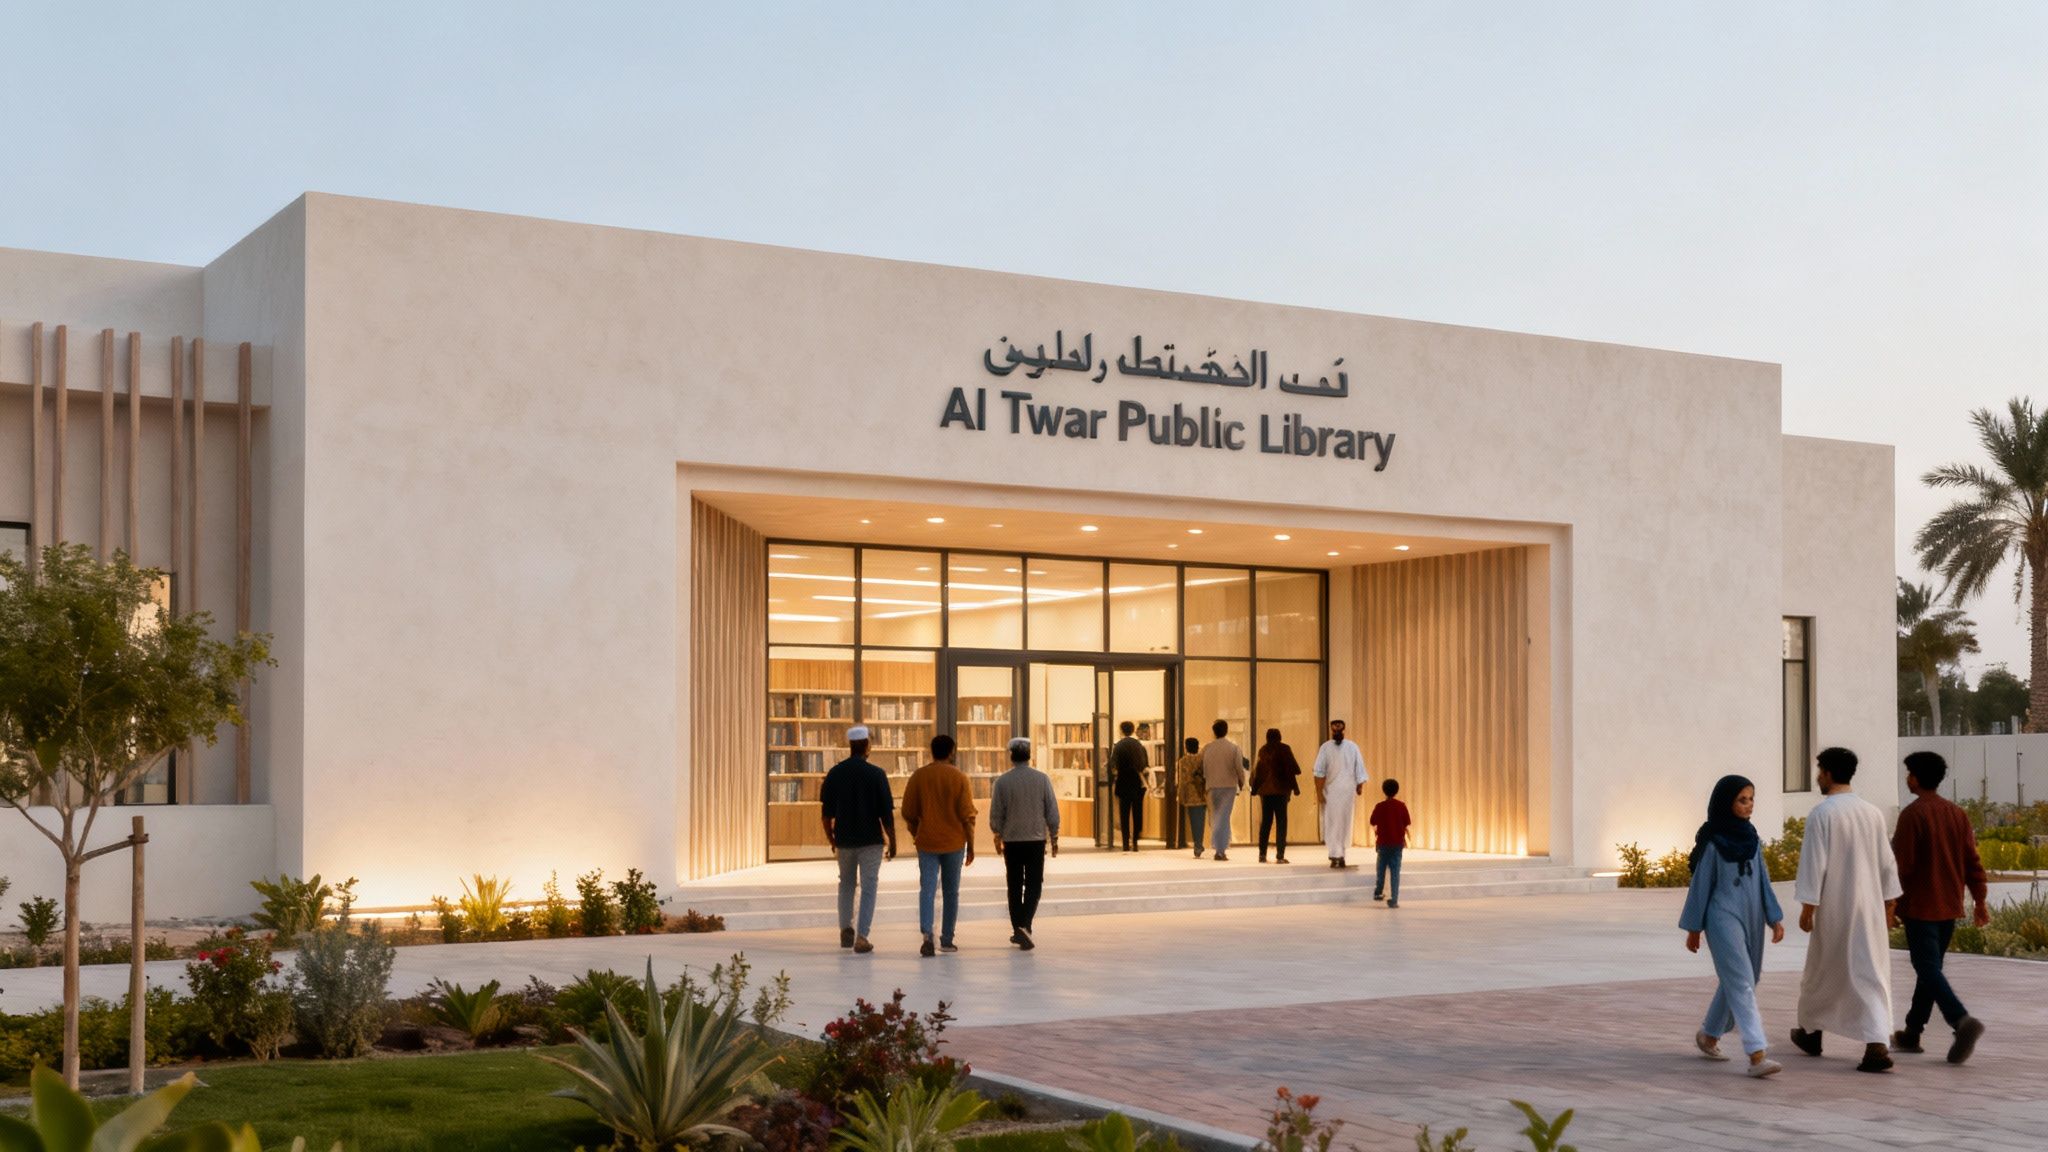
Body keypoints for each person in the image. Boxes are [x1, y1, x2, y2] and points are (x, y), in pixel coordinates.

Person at [1791, 746, 1904, 1072]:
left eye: (1819, 771)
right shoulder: (1872, 813)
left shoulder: (1823, 814)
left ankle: (1834, 1038)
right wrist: (1889, 905)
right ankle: (1831, 1035)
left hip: (1835, 910)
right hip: (1868, 911)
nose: (1817, 777)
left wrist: (1807, 908)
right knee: (1869, 974)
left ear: (1827, 772)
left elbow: (1814, 865)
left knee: (1823, 973)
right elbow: (1887, 864)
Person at [1677, 775, 1787, 1078]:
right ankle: (1756, 1053)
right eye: (1742, 799)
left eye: (1751, 799)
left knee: (1746, 976)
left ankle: (1710, 1034)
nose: (1748, 805)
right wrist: (1694, 928)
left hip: (1751, 915)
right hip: (1722, 917)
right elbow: (1700, 886)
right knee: (1740, 981)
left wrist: (1773, 916)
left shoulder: (1751, 837)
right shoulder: (1713, 842)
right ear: (1727, 802)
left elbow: (1762, 879)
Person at [1890, 750, 1990, 1064]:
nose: (1907, 778)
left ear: (1916, 778)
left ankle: (1961, 1020)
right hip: (1949, 905)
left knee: (1927, 968)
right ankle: (1912, 1032)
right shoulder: (1957, 814)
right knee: (1929, 969)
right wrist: (1980, 901)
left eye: (1909, 773)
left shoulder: (1912, 815)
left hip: (1921, 906)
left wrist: (1889, 904)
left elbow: (1901, 867)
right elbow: (1972, 862)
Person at [818, 725, 898, 954]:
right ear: (867, 746)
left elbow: (826, 815)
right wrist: (892, 841)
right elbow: (886, 814)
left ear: (850, 745)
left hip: (844, 840)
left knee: (846, 885)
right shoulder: (876, 774)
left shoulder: (835, 773)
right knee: (869, 885)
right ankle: (862, 935)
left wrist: (832, 839)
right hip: (871, 840)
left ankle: (845, 928)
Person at [900, 733, 977, 958]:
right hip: (954, 842)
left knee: (928, 889)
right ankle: (947, 939)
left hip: (927, 842)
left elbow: (908, 812)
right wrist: (971, 845)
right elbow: (967, 816)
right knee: (951, 892)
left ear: (931, 751)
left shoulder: (919, 776)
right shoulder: (960, 778)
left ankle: (927, 934)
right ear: (951, 752)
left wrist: (916, 832)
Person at [988, 736, 1060, 950]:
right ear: (1029, 756)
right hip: (1036, 840)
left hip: (1012, 840)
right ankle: (1025, 925)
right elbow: (1052, 811)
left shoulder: (1002, 781)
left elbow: (996, 815)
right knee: (1034, 885)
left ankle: (1018, 928)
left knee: (1014, 885)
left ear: (1011, 757)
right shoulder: (1042, 779)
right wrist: (1054, 836)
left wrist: (997, 834)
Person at [1312, 719, 1368, 869]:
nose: (1337, 733)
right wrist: (1319, 792)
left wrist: (1359, 787)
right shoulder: (1327, 748)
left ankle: (1338, 854)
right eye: (1335, 730)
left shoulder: (1351, 747)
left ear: (1343, 731)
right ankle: (1337, 854)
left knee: (1340, 823)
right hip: (1331, 792)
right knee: (1337, 823)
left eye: (1339, 730)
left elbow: (1359, 769)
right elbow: (1319, 772)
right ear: (1332, 731)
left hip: (1346, 792)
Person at [1252, 728, 1302, 864]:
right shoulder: (1284, 749)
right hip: (1281, 791)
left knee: (1266, 823)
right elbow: (1292, 770)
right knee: (1281, 822)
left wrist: (1255, 788)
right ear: (1280, 736)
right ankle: (1280, 855)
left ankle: (1262, 854)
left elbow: (1259, 772)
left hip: (1266, 792)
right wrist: (1296, 788)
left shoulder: (1263, 750)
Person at [1199, 719, 1246, 861]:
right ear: (1226, 731)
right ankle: (1220, 849)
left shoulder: (1207, 748)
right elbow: (1239, 767)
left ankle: (1219, 845)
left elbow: (1202, 767)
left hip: (1212, 786)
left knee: (1216, 816)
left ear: (1214, 732)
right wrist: (1242, 781)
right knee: (1223, 816)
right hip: (1228, 786)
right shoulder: (1233, 748)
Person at [1370, 778, 1412, 907]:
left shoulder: (1379, 806)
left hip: (1383, 843)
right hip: (1397, 844)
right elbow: (1407, 823)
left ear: (1384, 790)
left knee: (1381, 869)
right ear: (1397, 790)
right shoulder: (1401, 806)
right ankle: (1394, 899)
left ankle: (1378, 892)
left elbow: (1373, 821)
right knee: (1395, 872)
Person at [1110, 720, 1150, 852]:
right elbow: (1144, 765)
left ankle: (1125, 842)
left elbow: (1113, 765)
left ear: (1121, 730)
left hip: (1123, 781)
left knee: (1124, 813)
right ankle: (1135, 841)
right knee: (1137, 812)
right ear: (1133, 730)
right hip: (1137, 783)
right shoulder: (1139, 745)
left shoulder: (1118, 746)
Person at [1175, 737, 1208, 857]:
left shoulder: (1183, 761)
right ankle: (1199, 843)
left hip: (1190, 795)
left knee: (1194, 822)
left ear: (1186, 747)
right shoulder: (1202, 760)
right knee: (1201, 821)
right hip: (1202, 794)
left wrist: (1180, 795)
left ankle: (1197, 844)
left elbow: (1182, 781)